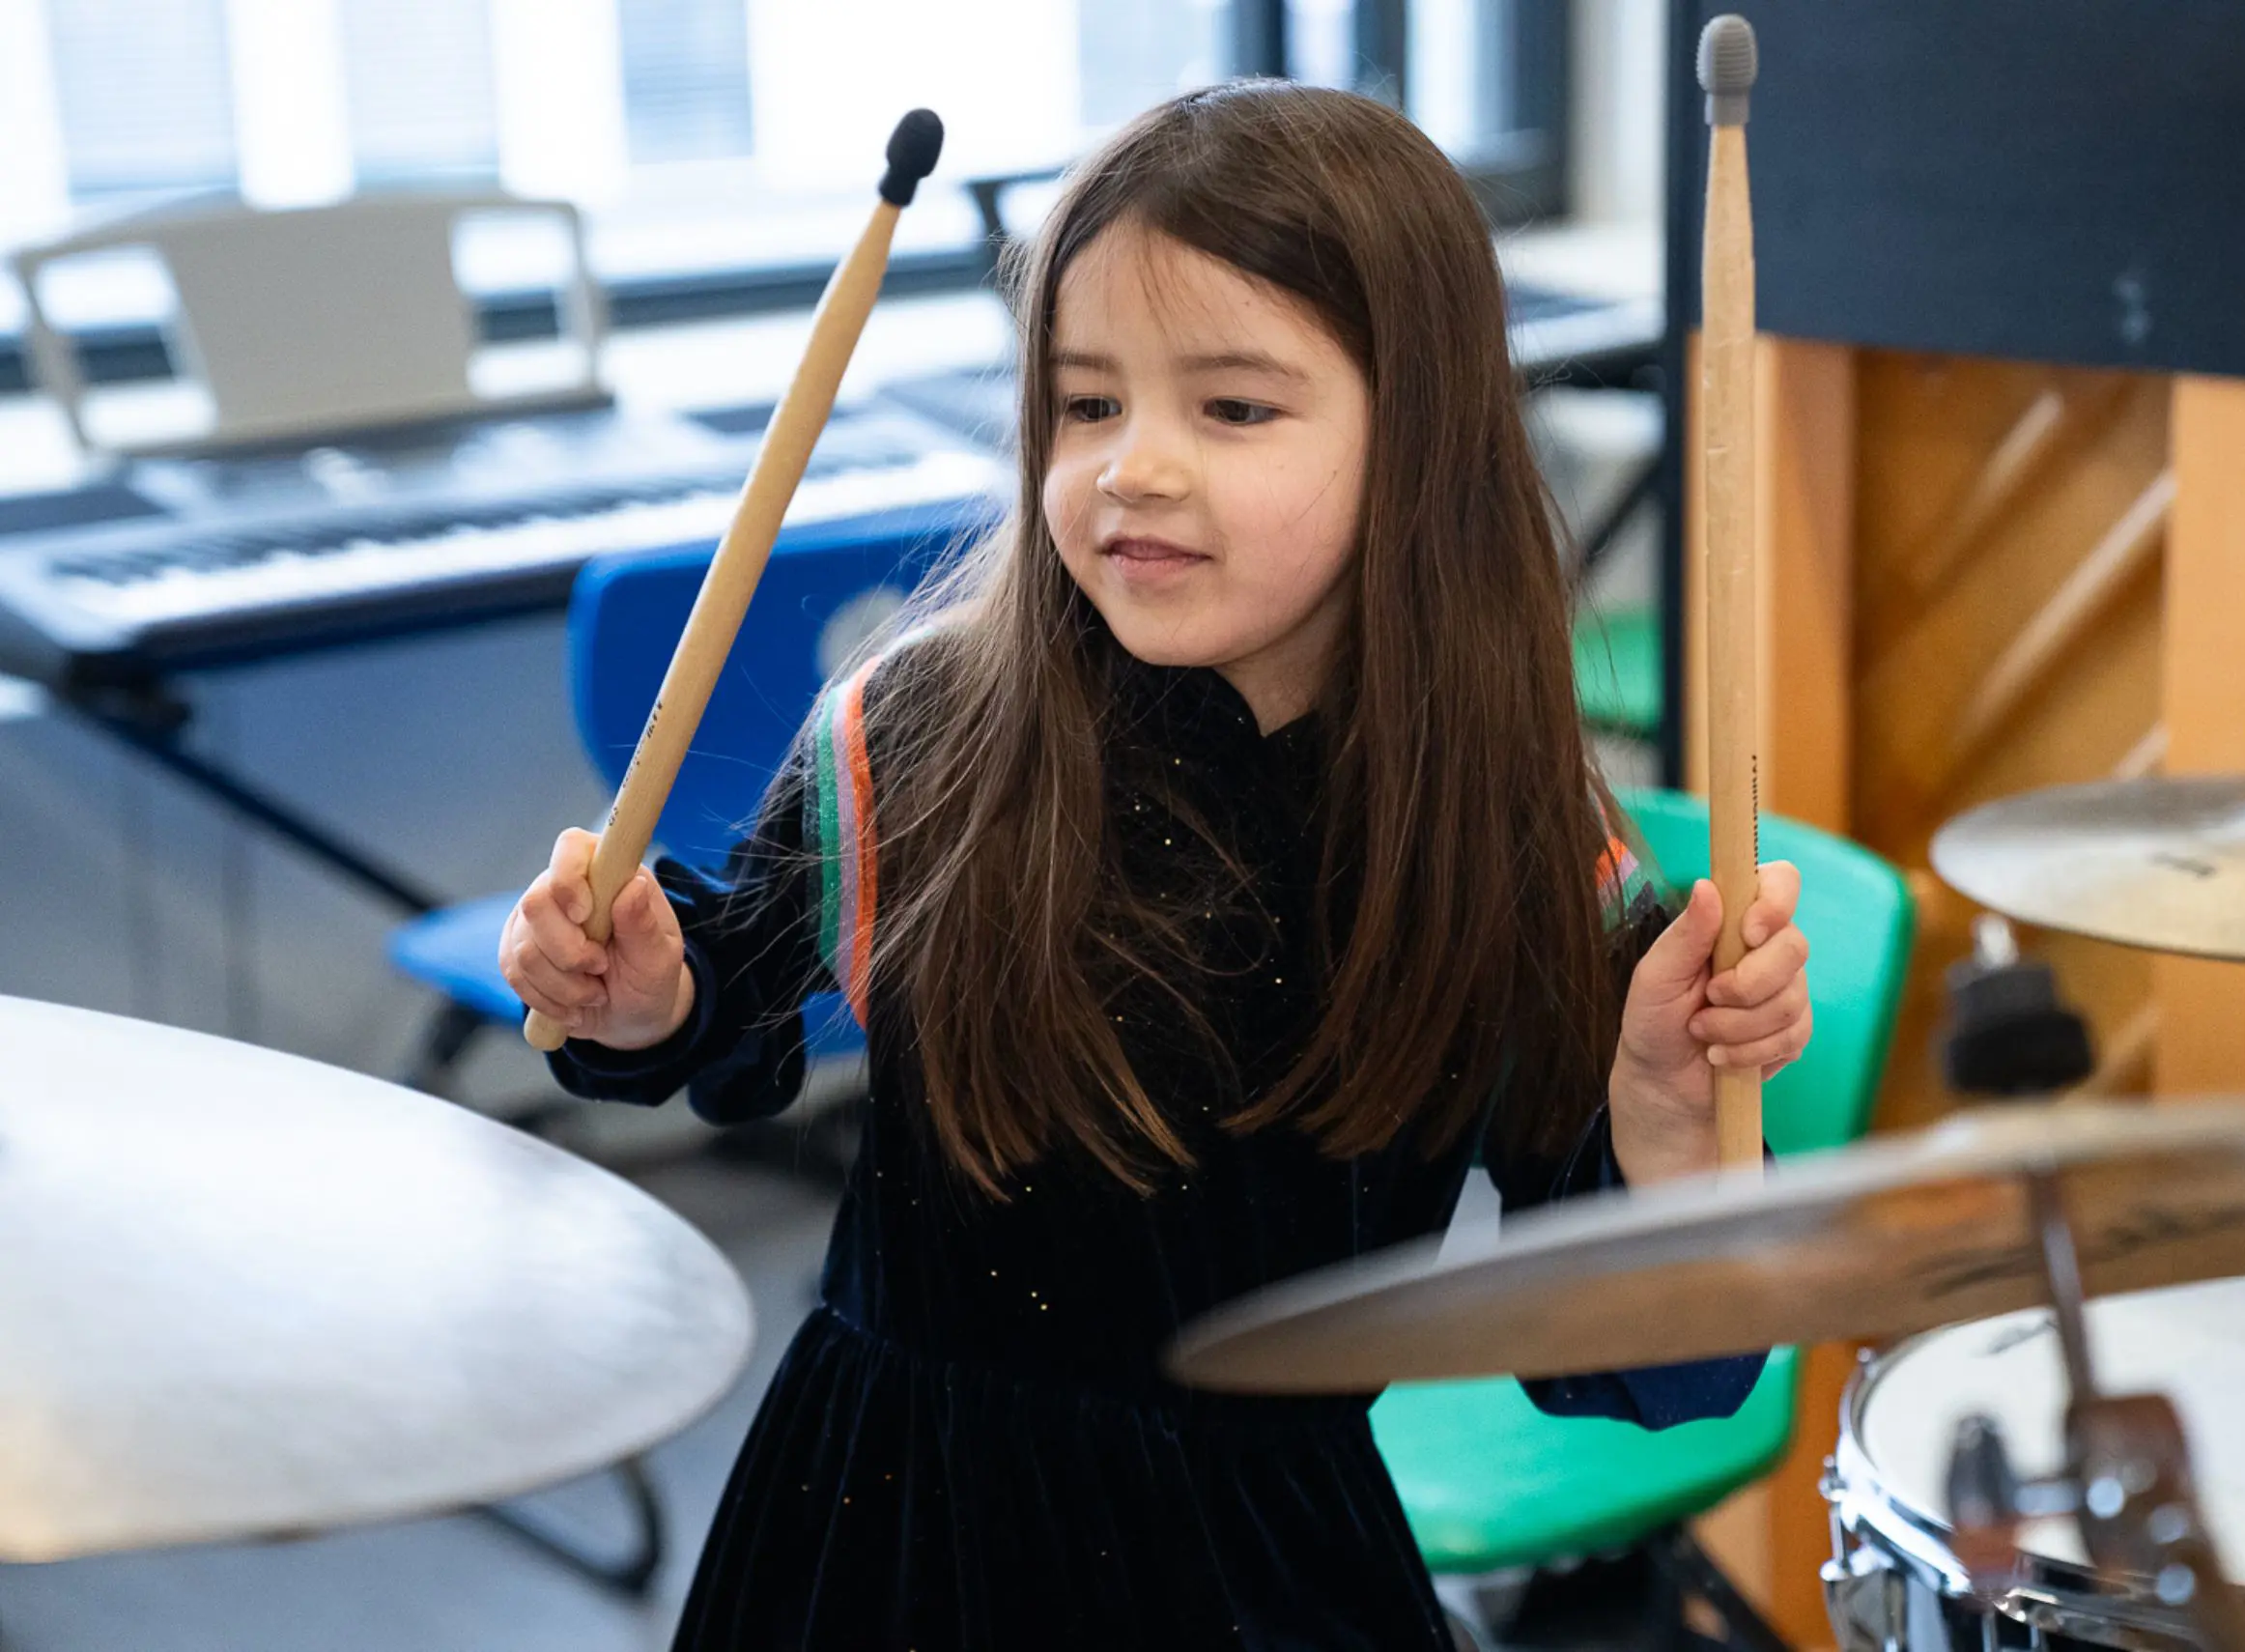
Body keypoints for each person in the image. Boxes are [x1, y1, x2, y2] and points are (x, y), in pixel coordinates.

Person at [500, 80, 1813, 1652]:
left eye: (1233, 409)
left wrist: (1665, 1126)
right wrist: (643, 990)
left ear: (1421, 441)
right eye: (1086, 404)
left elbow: (1649, 1359)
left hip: (1263, 1571)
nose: (1134, 467)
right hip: (885, 1533)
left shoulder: (1508, 844)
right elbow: (721, 998)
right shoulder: (917, 732)